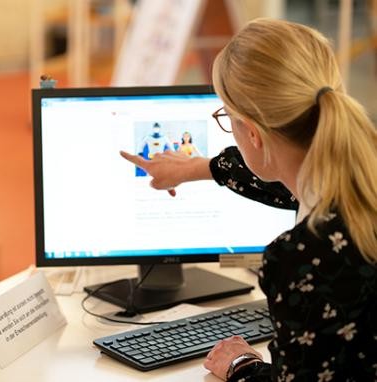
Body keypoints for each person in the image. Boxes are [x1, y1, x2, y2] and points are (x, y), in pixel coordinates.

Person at [121, 19, 377, 381]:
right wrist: (197, 167)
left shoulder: (301, 258)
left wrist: (243, 366)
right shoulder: (361, 175)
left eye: (227, 117)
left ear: (253, 134)